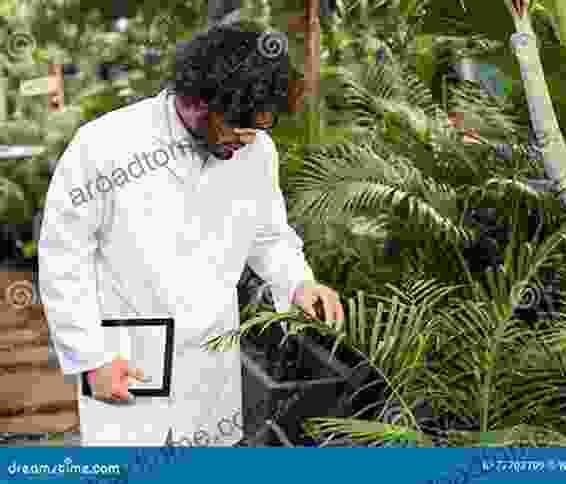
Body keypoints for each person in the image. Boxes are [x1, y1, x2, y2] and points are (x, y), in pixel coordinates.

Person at [38, 22, 344, 446]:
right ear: (199, 101)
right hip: (124, 359)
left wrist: (298, 283)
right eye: (240, 125)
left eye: (260, 127)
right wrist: (91, 359)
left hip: (209, 367)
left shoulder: (256, 151)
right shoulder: (103, 146)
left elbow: (269, 236)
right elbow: (63, 259)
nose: (249, 137)